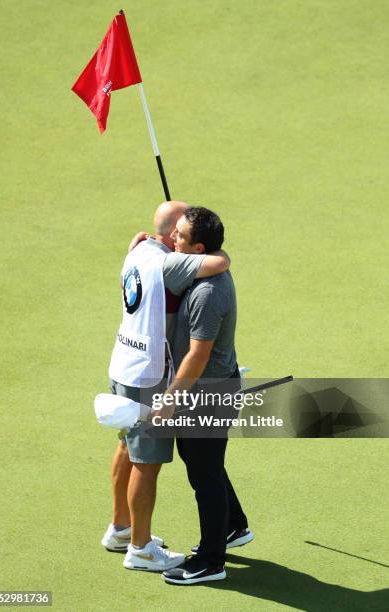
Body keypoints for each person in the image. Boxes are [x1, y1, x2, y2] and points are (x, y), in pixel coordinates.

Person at [101, 201, 231, 572]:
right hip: (148, 375)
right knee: (147, 461)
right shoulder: (172, 263)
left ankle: (121, 528)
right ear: (173, 235)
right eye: (180, 229)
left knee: (127, 445)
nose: (179, 236)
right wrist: (209, 242)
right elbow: (219, 263)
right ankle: (140, 548)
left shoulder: (140, 249)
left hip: (123, 361)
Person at [151, 207, 253, 585]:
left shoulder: (209, 291)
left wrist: (170, 399)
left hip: (207, 393)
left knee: (204, 473)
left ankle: (212, 560)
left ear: (198, 247)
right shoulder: (201, 267)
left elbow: (198, 354)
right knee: (204, 461)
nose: (171, 241)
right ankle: (233, 525)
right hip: (208, 387)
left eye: (178, 237)